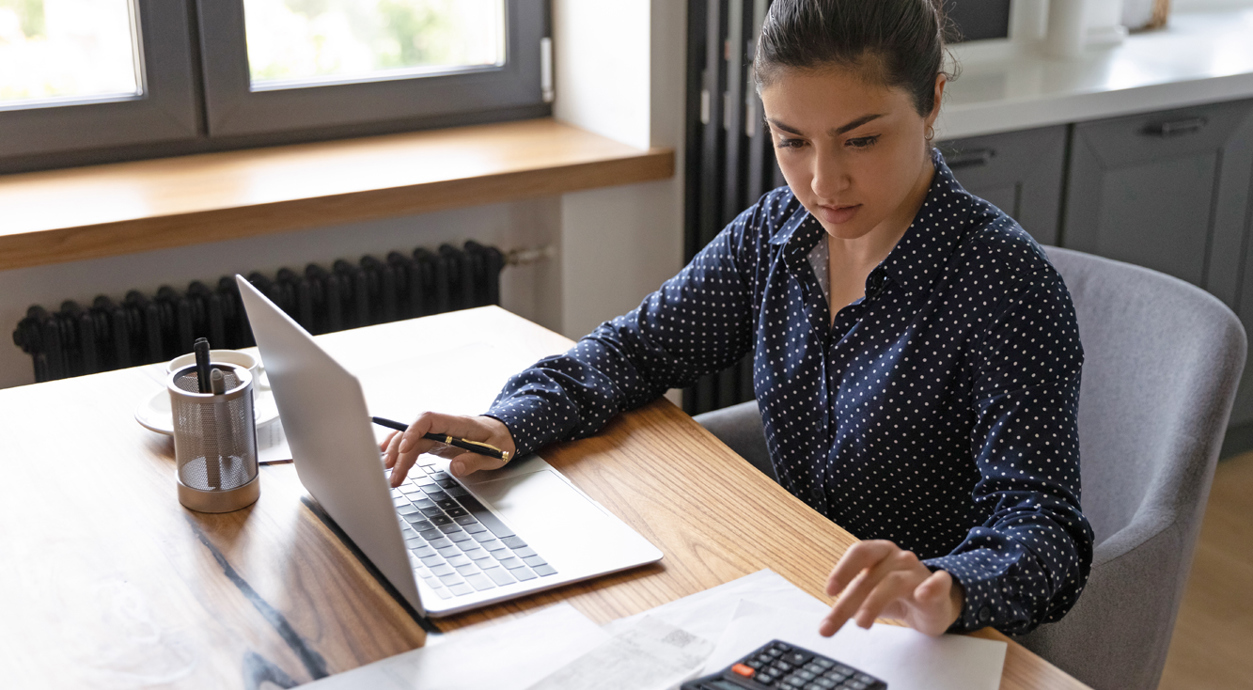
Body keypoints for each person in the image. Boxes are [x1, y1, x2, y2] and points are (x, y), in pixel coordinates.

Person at [380, 0, 1093, 639]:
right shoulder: (779, 234)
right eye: (792, 140)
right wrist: (510, 422)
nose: (823, 181)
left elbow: (1045, 527)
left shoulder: (1002, 284)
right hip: (791, 597)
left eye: (862, 140)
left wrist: (948, 587)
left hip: (931, 642)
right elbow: (634, 350)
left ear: (932, 100)